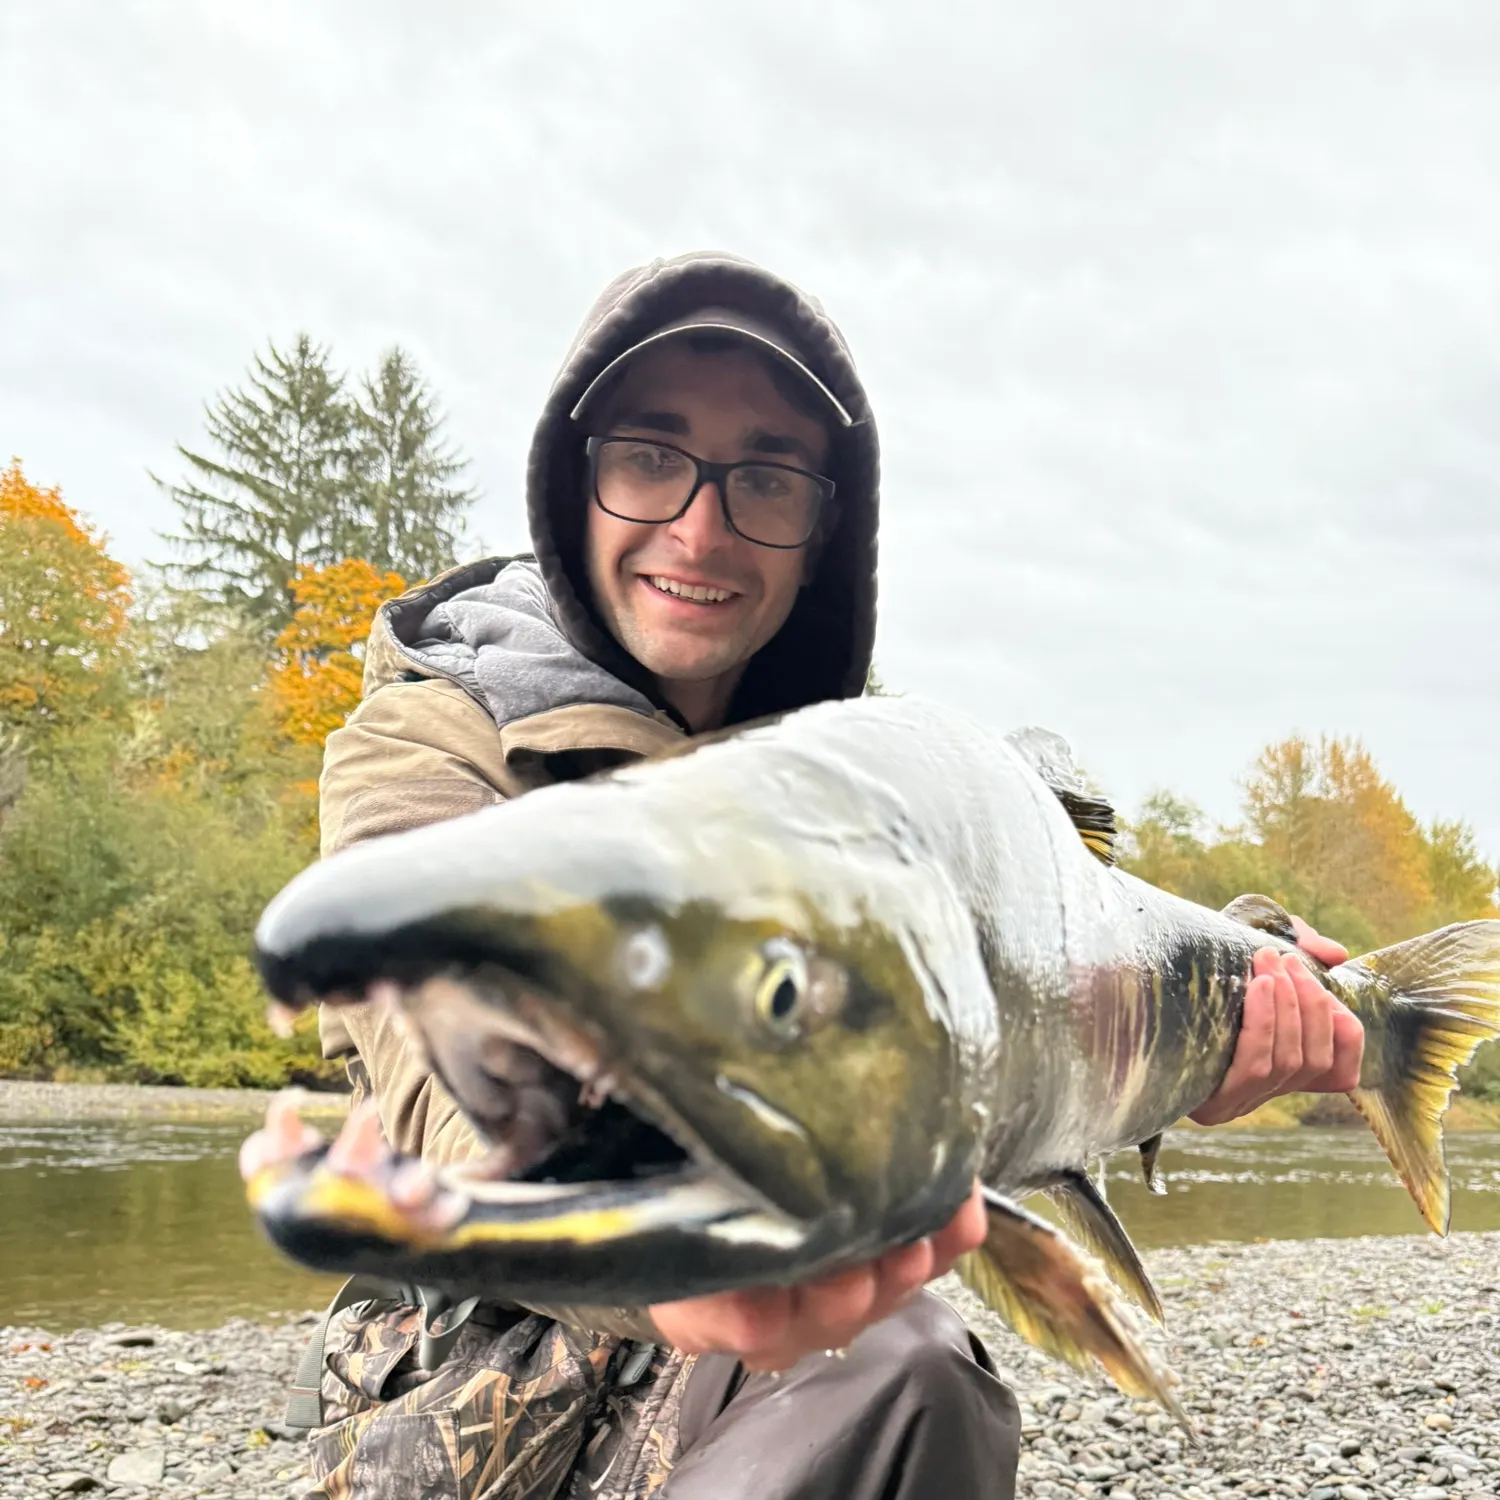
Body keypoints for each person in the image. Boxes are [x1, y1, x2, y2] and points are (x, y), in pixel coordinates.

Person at [289, 251, 1364, 1499]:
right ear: (570, 482)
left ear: (823, 528)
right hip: (480, 1375)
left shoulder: (879, 799)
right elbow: (444, 1080)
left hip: (766, 1358)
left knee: (906, 1362)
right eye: (650, 455)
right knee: (888, 1348)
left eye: (766, 477)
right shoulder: (428, 742)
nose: (699, 527)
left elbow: (1030, 1031)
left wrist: (1217, 1015)